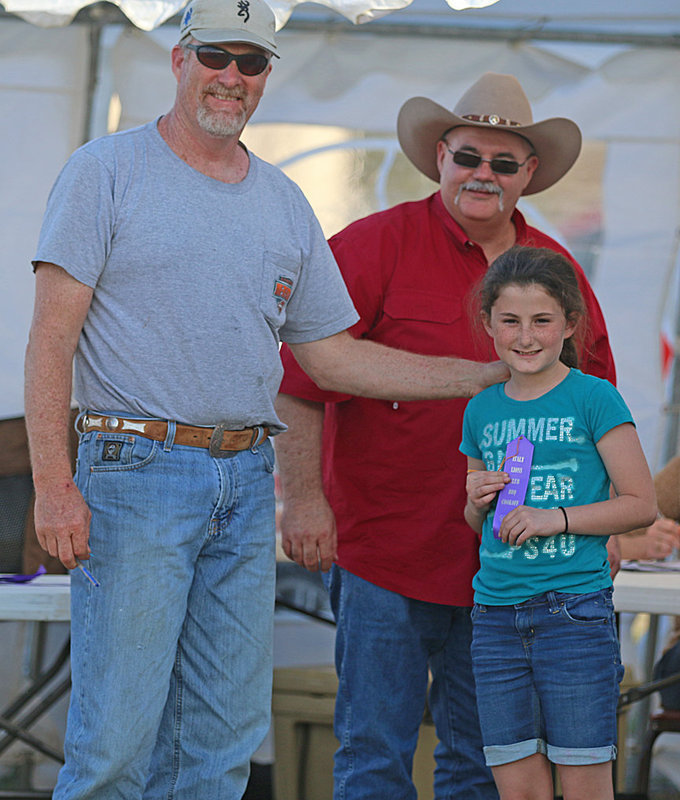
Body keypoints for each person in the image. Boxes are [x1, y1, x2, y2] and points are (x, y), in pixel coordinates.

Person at [23, 2, 507, 797]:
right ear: (179, 59)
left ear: (267, 77)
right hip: (132, 466)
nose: (233, 77)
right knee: (116, 743)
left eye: (253, 63)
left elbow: (329, 357)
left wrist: (486, 374)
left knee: (223, 744)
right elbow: (50, 340)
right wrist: (53, 484)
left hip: (246, 479)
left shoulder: (283, 199)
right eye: (218, 55)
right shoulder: (105, 169)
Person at [275, 73, 616, 799]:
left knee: (484, 761)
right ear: (439, 156)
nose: (482, 175)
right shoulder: (371, 245)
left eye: (502, 163)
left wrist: (607, 526)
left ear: (529, 174)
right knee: (374, 753)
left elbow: (599, 407)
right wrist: (302, 502)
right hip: (383, 549)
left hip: (509, 563)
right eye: (468, 157)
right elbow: (298, 381)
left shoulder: (560, 274)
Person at [461, 245, 656, 800]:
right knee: (517, 785)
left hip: (573, 612)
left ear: (569, 324)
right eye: (511, 321)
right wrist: (476, 500)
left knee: (585, 781)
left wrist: (556, 519)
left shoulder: (593, 397)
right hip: (494, 617)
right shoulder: (482, 409)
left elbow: (640, 503)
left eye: (542, 321)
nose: (526, 336)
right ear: (489, 325)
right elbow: (480, 523)